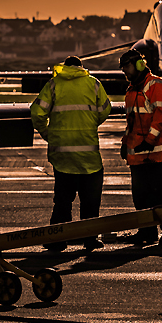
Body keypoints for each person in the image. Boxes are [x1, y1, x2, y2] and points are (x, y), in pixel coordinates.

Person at [30, 55, 112, 252]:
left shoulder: (53, 85)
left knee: (63, 201)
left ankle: (58, 240)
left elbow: (37, 112)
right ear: (81, 67)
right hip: (89, 156)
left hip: (63, 156)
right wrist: (89, 125)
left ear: (64, 67)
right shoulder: (93, 84)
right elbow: (105, 110)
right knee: (90, 202)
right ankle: (90, 239)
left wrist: (47, 133)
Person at [119, 49, 162, 247]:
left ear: (138, 65)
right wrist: (125, 143)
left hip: (158, 155)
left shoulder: (156, 85)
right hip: (138, 155)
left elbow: (161, 117)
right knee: (140, 196)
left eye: (126, 68)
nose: (125, 72)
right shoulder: (131, 90)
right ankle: (147, 231)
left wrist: (149, 141)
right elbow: (132, 122)